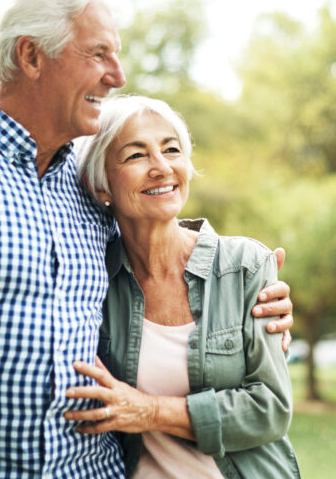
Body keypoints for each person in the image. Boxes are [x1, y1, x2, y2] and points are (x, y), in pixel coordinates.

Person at [0, 0, 293, 478]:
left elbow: (162, 255)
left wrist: (252, 294)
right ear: (31, 56)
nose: (118, 75)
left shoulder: (81, 191)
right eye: (99, 53)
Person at [68, 95, 301, 478]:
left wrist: (147, 410)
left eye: (171, 149)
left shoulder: (244, 266)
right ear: (100, 185)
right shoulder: (92, 278)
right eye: (135, 155)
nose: (161, 167)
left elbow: (270, 410)